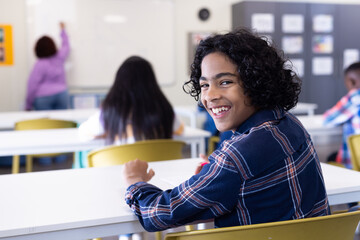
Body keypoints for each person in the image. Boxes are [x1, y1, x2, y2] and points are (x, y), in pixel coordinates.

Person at [123, 28, 330, 232]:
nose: (210, 95)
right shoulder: (291, 124)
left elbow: (159, 214)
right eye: (204, 85)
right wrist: (213, 174)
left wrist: (135, 182)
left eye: (225, 82)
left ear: (256, 82)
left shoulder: (235, 159)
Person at [79, 55, 184, 146]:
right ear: (151, 83)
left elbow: (84, 132)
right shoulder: (164, 109)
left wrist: (109, 132)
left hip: (121, 168)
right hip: (158, 168)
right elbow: (180, 130)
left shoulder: (109, 112)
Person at [25, 22, 70, 111]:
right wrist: (63, 30)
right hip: (62, 94)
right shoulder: (60, 57)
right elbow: (66, 45)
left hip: (42, 97)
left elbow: (32, 85)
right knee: (61, 124)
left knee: (45, 124)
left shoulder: (39, 64)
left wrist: (28, 105)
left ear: (37, 48)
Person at [323, 62, 360, 169]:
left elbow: (328, 120)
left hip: (354, 166)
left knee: (331, 159)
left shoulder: (354, 97)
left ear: (351, 82)